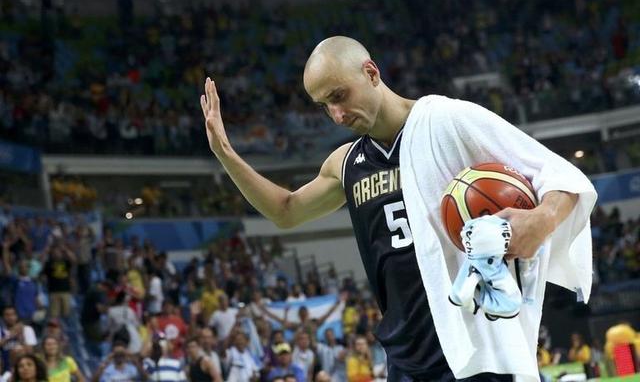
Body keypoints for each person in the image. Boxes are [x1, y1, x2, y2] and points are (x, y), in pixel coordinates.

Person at [200, 36, 595, 382]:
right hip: (405, 356)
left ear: (371, 72)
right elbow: (285, 212)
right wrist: (227, 154)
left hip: (473, 349)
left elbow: (561, 176)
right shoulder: (345, 164)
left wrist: (540, 220)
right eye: (323, 106)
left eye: (338, 96)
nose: (336, 115)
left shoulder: (445, 119)